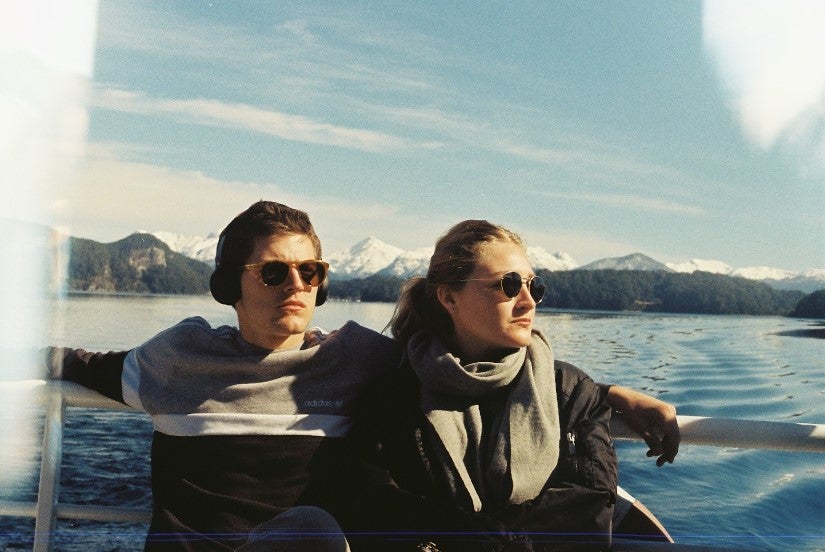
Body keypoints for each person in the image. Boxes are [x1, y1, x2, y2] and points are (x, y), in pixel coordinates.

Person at [46, 202, 678, 550]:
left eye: (311, 272)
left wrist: (610, 397)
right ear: (226, 286)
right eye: (273, 272)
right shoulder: (174, 357)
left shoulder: (360, 360)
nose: (295, 285)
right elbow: (70, 363)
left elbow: (472, 368)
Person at [341, 220, 627, 551]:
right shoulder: (395, 392)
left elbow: (589, 503)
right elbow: (374, 499)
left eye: (534, 286)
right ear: (449, 298)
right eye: (508, 285)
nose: (528, 302)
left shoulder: (571, 391)